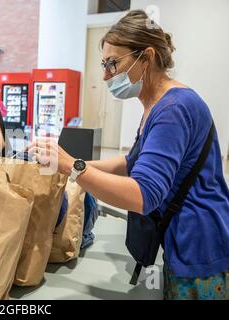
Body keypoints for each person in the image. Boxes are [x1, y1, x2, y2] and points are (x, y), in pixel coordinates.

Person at [30, 10, 229, 300]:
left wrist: (73, 166)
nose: (106, 75)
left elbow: (142, 196)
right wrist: (67, 164)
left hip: (199, 246)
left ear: (146, 58)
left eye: (113, 63)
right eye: (104, 64)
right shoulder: (155, 105)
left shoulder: (173, 109)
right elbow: (131, 162)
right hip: (181, 238)